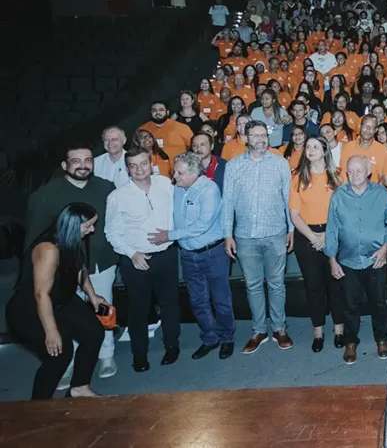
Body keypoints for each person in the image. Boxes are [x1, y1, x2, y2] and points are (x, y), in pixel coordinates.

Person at [24, 147, 118, 385]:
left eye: (88, 160)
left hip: (99, 262)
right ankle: (69, 361)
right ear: (64, 166)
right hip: (60, 269)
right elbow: (34, 237)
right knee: (67, 316)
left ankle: (106, 355)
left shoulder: (107, 187)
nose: (83, 165)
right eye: (76, 161)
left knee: (103, 308)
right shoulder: (44, 195)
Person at [5, 203, 106, 399]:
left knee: (93, 333)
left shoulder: (73, 239)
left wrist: (93, 296)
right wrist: (51, 332)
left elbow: (79, 268)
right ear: (73, 225)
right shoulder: (49, 249)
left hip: (61, 298)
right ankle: (39, 407)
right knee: (60, 353)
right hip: (30, 308)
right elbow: (41, 295)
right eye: (88, 226)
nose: (92, 230)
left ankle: (79, 388)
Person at [221, 120, 295, 354]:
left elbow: (288, 199)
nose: (261, 139)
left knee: (276, 284)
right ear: (245, 138)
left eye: (264, 135)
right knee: (252, 286)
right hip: (244, 236)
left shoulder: (280, 163)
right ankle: (259, 330)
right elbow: (228, 202)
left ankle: (280, 328)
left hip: (275, 233)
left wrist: (291, 228)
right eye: (255, 135)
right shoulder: (233, 166)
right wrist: (227, 234)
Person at [155, 152, 234, 360]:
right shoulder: (178, 190)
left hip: (212, 253)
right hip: (189, 255)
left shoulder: (209, 190)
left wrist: (169, 236)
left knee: (221, 300)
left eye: (179, 173)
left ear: (193, 173)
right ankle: (210, 338)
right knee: (198, 301)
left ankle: (227, 338)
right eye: (174, 172)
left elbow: (203, 224)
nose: (175, 177)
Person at [105, 148, 178, 372]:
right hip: (136, 259)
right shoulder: (117, 196)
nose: (139, 169)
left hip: (165, 254)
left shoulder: (166, 184)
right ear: (128, 170)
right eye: (134, 166)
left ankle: (172, 346)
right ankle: (139, 355)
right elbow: (111, 232)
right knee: (138, 309)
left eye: (143, 164)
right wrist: (132, 253)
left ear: (150, 163)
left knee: (169, 304)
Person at [325, 155, 387, 364]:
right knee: (350, 305)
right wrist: (332, 260)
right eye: (351, 171)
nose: (354, 175)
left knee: (379, 304)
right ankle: (350, 342)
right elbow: (331, 230)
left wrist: (385, 248)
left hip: (376, 260)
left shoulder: (381, 194)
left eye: (359, 170)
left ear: (368, 172)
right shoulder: (338, 196)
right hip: (348, 261)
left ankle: (381, 339)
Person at [288, 136, 346, 352]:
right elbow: (294, 215)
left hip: (334, 234)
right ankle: (318, 331)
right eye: (307, 147)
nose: (310, 150)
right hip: (307, 236)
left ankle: (339, 329)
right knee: (314, 287)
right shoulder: (297, 177)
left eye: (315, 146)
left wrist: (328, 236)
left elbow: (344, 210)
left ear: (324, 150)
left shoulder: (339, 175)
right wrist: (314, 238)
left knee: (336, 285)